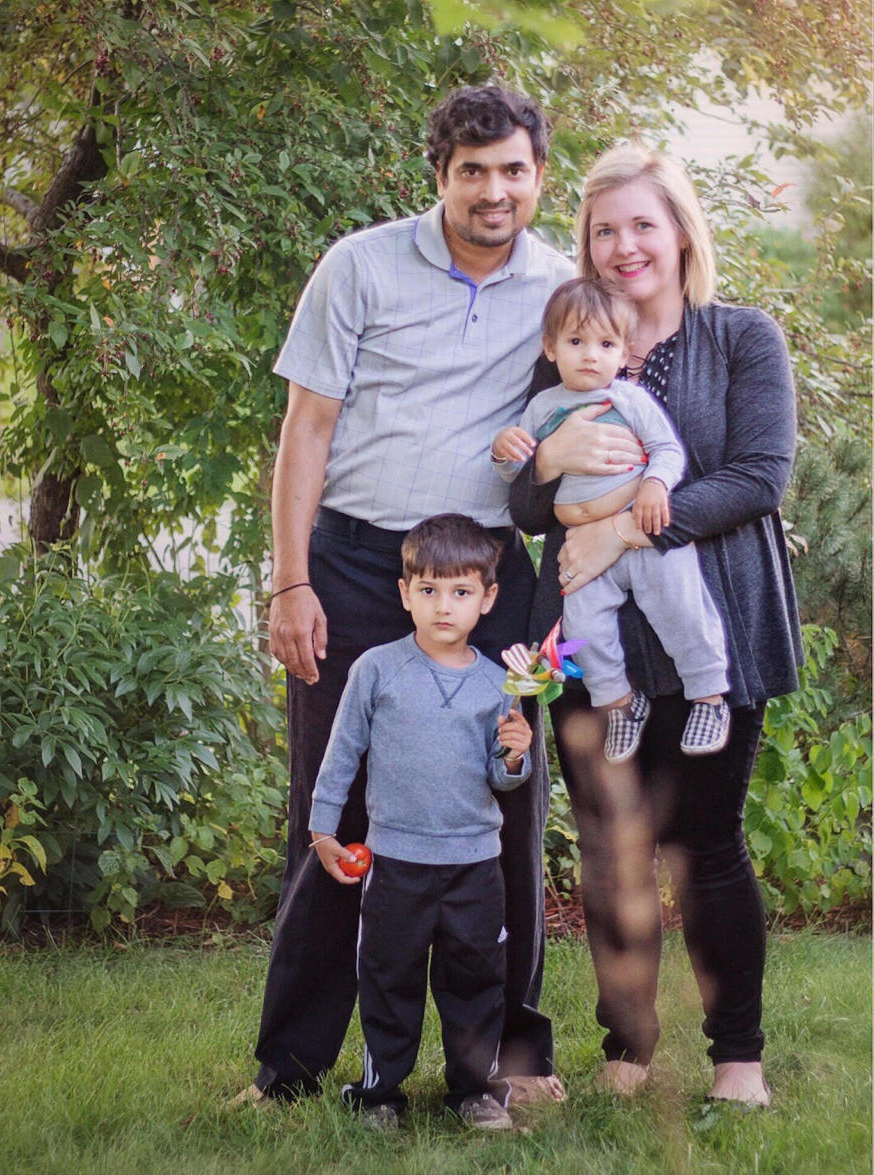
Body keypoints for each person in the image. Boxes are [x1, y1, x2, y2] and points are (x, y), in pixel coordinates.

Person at [242, 83, 574, 1107]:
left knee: (508, 800)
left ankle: (510, 1062)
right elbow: (306, 427)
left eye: (512, 169)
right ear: (437, 174)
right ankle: (290, 1066)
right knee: (330, 806)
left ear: (538, 176)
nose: (493, 189)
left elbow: (603, 399)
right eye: (471, 170)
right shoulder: (360, 265)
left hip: (489, 577)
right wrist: (291, 577)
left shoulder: (559, 284)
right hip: (352, 563)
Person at [508, 142, 801, 1107]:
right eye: (604, 230)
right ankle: (628, 1051)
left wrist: (628, 522)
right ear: (585, 248)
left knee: (705, 844)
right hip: (599, 647)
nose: (625, 245)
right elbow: (522, 496)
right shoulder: (566, 350)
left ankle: (737, 1062)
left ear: (680, 232)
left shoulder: (742, 339)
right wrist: (556, 483)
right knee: (611, 849)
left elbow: (758, 477)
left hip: (718, 621)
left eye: (643, 223)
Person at [309, 514, 534, 1131]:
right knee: (389, 979)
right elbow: (341, 753)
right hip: (397, 863)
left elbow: (501, 777)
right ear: (405, 592)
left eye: (461, 592)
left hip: (473, 865)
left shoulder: (500, 684)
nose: (443, 606)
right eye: (428, 590)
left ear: (487, 599)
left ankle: (474, 1092)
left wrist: (516, 751)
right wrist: (323, 829)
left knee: (476, 981)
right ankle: (380, 1093)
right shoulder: (377, 670)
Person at [492, 276, 731, 762]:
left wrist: (655, 484)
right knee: (583, 624)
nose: (590, 355)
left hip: (641, 533)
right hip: (582, 546)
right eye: (576, 342)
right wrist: (504, 451)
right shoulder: (542, 406)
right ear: (551, 347)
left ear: (624, 353)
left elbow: (667, 450)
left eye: (605, 344)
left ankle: (708, 696)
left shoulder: (628, 399)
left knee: (679, 606)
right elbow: (520, 470)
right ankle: (620, 702)